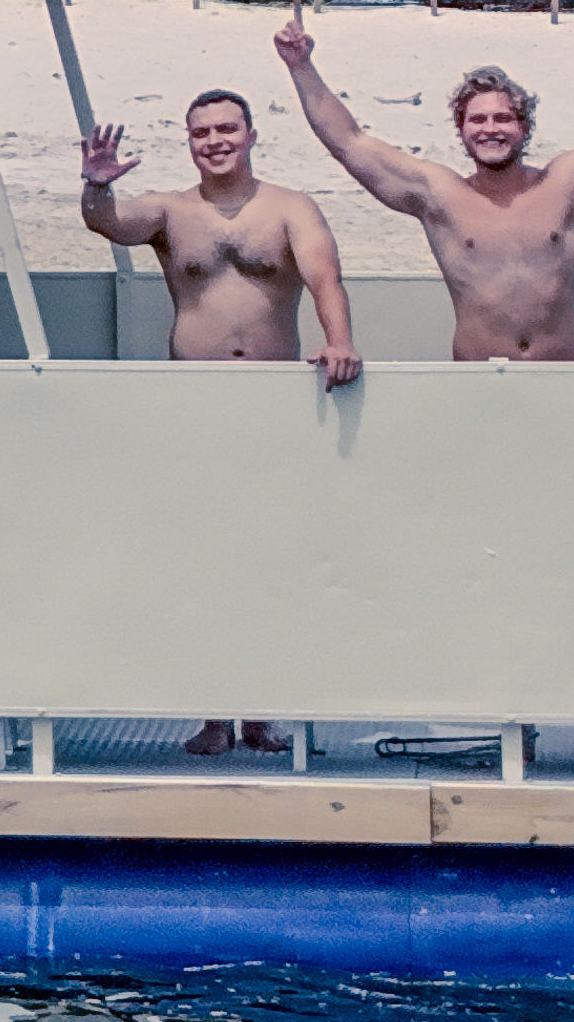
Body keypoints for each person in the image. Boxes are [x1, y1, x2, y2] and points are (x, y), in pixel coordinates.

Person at [79, 85, 362, 757]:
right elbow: (108, 223)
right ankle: (211, 712)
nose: (215, 142)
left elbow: (326, 279)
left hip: (272, 402)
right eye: (201, 132)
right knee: (203, 562)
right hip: (196, 401)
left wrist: (340, 340)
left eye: (226, 129)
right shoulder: (171, 212)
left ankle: (262, 711)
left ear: (252, 133)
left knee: (269, 559)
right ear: (189, 141)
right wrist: (94, 186)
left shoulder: (290, 207)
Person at [271, 6, 574, 363]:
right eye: (478, 119)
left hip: (562, 377)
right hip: (476, 380)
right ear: (462, 129)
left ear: (525, 128)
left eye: (504, 118)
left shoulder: (568, 184)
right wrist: (301, 67)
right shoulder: (440, 195)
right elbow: (349, 142)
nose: (491, 129)